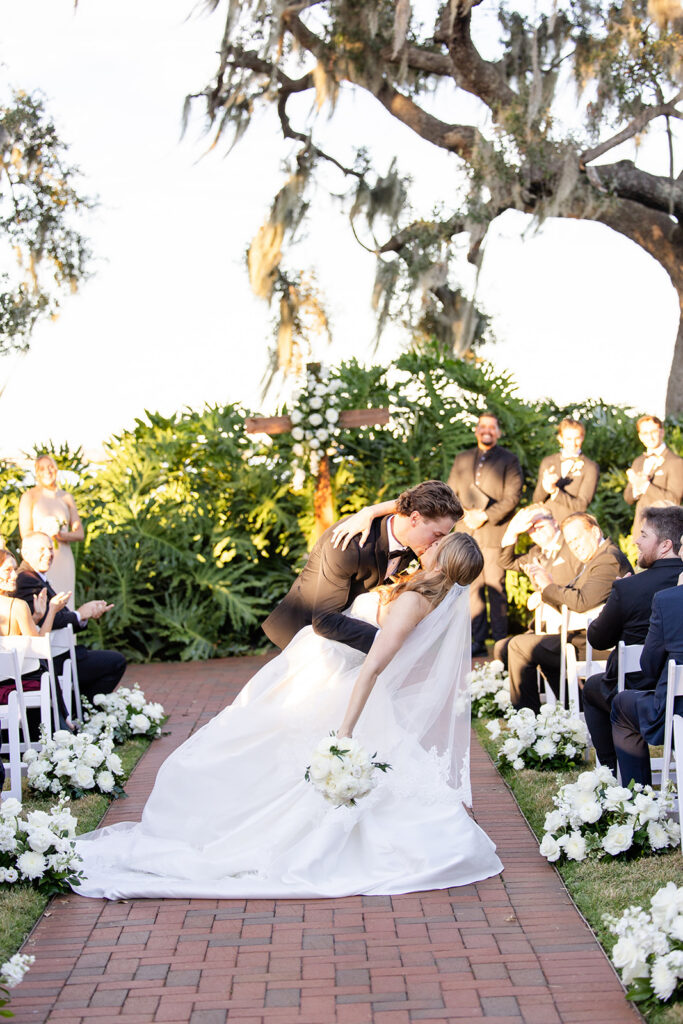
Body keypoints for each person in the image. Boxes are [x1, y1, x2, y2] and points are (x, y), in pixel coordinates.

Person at [72, 533, 503, 899]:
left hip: (335, 687)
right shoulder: (414, 586)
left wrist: (347, 731)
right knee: (255, 741)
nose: (430, 544)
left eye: (440, 542)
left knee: (264, 752)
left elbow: (374, 666)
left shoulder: (413, 603)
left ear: (444, 557)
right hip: (315, 668)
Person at [263, 480, 462, 654]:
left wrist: (371, 510)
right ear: (415, 519)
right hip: (306, 635)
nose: (438, 545)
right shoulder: (350, 545)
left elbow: (410, 502)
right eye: (437, 536)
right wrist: (386, 642)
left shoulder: (416, 542)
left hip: (351, 639)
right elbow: (325, 621)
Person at [582, 507, 683, 773]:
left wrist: (617, 596)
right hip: (669, 691)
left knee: (599, 691)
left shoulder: (630, 588)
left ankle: (618, 779)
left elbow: (598, 639)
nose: (636, 541)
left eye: (643, 535)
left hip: (646, 689)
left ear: (665, 545)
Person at [504, 512, 632, 712]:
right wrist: (548, 589)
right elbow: (575, 597)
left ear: (595, 532)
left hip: (598, 643)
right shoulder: (597, 558)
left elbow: (582, 602)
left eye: (578, 538)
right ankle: (577, 711)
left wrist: (548, 587)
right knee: (537, 648)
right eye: (570, 542)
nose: (575, 546)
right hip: (584, 636)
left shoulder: (608, 559)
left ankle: (527, 722)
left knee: (519, 646)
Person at [14, 532, 126, 704]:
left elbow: (57, 615)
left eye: (50, 549)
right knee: (116, 662)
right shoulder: (26, 579)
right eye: (41, 549)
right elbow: (47, 620)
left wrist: (85, 615)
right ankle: (82, 708)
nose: (48, 554)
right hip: (50, 657)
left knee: (111, 661)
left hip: (60, 651)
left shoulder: (37, 578)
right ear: (25, 553)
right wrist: (80, 614)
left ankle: (81, 708)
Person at [446, 412, 523, 656]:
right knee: (471, 589)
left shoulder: (509, 460)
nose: (486, 430)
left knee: (495, 589)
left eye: (492, 426)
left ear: (498, 432)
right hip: (466, 532)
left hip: (493, 534)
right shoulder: (461, 459)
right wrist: (464, 515)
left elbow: (513, 496)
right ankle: (476, 642)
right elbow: (450, 493)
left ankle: (500, 643)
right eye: (482, 426)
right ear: (476, 430)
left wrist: (485, 515)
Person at [611, 533, 683, 787]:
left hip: (676, 716)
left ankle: (637, 802)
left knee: (622, 704)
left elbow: (649, 668)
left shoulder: (669, 600)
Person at [493, 506, 582, 667]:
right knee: (501, 648)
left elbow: (581, 583)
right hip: (543, 626)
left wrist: (544, 595)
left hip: (570, 624)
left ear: (554, 522)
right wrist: (512, 531)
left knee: (517, 648)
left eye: (539, 526)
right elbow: (505, 561)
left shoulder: (571, 546)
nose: (536, 532)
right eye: (530, 530)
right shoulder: (534, 553)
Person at [19, 454, 85, 610]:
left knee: (66, 602)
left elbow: (79, 533)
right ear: (37, 473)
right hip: (41, 558)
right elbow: (25, 534)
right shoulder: (29, 497)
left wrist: (60, 535)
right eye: (42, 468)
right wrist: (44, 537)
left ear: (56, 469)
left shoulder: (66, 497)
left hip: (64, 559)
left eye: (51, 467)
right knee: (45, 602)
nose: (47, 471)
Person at [624, 415, 683, 536]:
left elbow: (674, 500)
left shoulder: (676, 462)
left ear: (662, 432)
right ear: (640, 436)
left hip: (664, 531)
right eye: (645, 433)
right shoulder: (638, 461)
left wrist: (645, 485)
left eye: (653, 431)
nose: (649, 437)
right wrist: (636, 488)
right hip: (640, 529)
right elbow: (628, 498)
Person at [532, 419, 599, 522]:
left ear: (583, 438)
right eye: (568, 439)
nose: (573, 443)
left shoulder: (590, 467)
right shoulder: (548, 462)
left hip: (571, 526)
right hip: (546, 524)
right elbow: (537, 499)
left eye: (577, 438)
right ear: (560, 438)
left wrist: (555, 491)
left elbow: (581, 506)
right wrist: (546, 486)